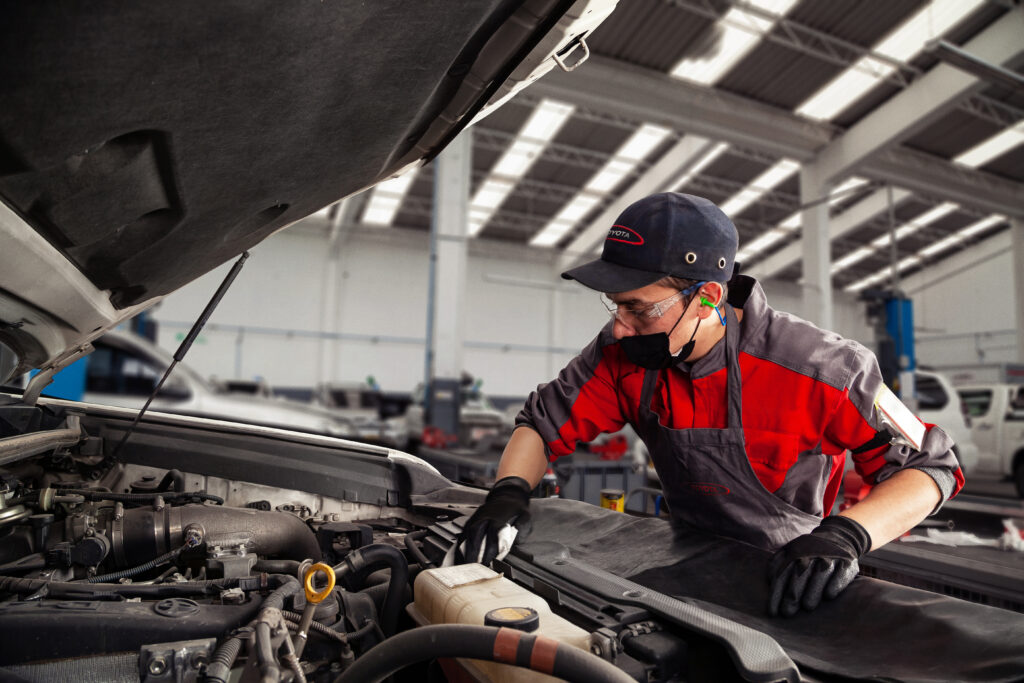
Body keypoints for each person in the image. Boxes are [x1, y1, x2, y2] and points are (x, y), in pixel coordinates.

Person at [455, 192, 964, 617]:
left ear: (706, 298)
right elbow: (543, 426)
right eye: (615, 306)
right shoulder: (621, 356)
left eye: (637, 308)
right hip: (682, 559)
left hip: (792, 577)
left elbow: (931, 466)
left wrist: (847, 537)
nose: (619, 326)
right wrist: (509, 493)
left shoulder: (822, 368)